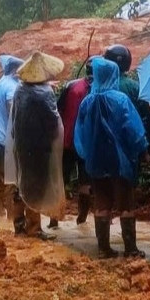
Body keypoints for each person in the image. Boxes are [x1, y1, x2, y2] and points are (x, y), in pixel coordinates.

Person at [75, 56, 150, 259]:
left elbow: (80, 133)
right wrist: (143, 151)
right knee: (125, 202)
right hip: (121, 159)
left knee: (102, 202)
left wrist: (86, 155)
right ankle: (130, 249)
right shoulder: (121, 100)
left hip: (96, 160)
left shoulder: (87, 102)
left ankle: (103, 249)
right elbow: (133, 129)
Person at [6, 52, 66, 237]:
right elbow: (52, 123)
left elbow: (15, 120)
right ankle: (34, 227)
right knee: (36, 186)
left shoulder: (20, 90)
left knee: (20, 182)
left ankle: (19, 226)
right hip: (39, 148)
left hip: (20, 146)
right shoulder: (45, 93)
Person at [57, 61, 92, 225]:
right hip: (87, 143)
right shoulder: (100, 90)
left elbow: (58, 110)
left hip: (67, 141)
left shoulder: (71, 86)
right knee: (85, 181)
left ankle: (54, 219)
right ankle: (82, 218)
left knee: (62, 178)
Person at [0, 54, 24, 220]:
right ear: (14, 69)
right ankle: (11, 219)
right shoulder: (12, 86)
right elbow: (12, 110)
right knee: (11, 181)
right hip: (7, 141)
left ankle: (0, 215)